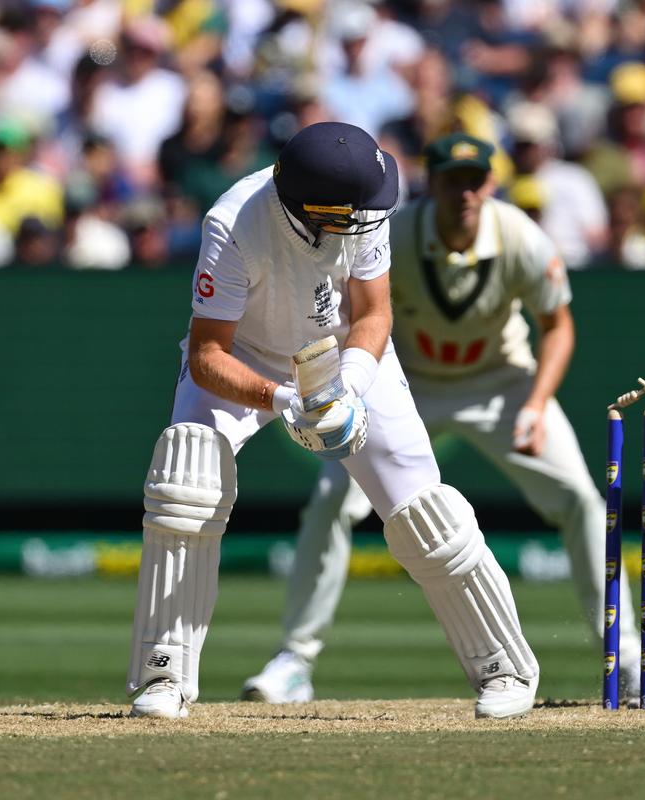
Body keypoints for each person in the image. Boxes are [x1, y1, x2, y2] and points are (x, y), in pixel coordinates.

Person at [126, 122, 539, 720]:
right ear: (309, 208)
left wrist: (348, 386)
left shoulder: (365, 209)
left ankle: (505, 667)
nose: (369, 219)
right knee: (186, 479)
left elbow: (373, 312)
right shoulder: (233, 224)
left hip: (345, 349)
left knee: (427, 513)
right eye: (352, 212)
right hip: (244, 355)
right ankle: (164, 676)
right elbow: (207, 354)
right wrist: (283, 398)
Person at [241, 133, 645, 707]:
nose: (463, 194)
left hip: (501, 385)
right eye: (451, 181)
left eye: (474, 181)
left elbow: (558, 324)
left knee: (581, 501)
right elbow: (355, 314)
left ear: (489, 184)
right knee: (330, 499)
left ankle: (625, 662)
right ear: (432, 183)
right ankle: (295, 659)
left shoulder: (518, 234)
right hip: (409, 384)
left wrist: (538, 403)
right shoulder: (394, 230)